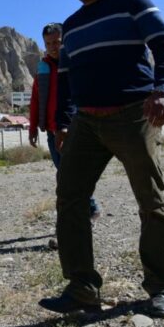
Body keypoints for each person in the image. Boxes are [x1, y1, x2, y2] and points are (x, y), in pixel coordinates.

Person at [38, 0, 164, 318]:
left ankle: (160, 286)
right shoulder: (71, 25)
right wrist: (63, 122)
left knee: (150, 200)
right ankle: (82, 288)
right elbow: (66, 79)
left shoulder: (131, 2)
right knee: (70, 198)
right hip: (86, 121)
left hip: (134, 114)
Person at [28, 22, 100, 221]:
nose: (53, 47)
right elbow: (35, 99)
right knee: (64, 172)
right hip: (53, 132)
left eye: (57, 42)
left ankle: (85, 211)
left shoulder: (75, 63)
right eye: (48, 43)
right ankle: (85, 210)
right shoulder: (43, 68)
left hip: (75, 128)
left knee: (71, 173)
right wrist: (33, 127)